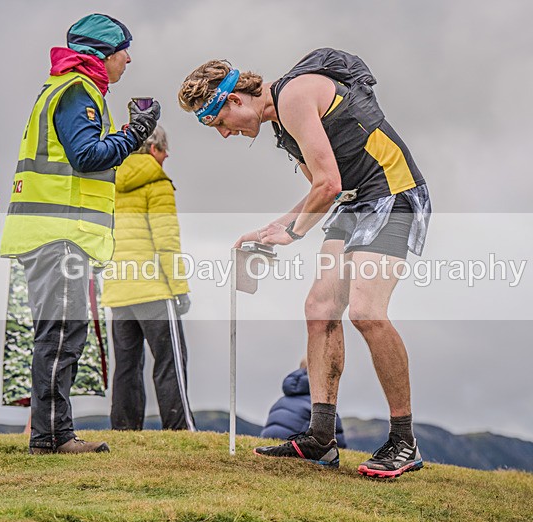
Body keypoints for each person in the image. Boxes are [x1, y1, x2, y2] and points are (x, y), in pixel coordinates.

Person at [178, 48, 430, 477]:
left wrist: (291, 232)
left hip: (393, 192)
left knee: (368, 313)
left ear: (236, 100)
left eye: (219, 123)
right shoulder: (282, 127)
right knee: (319, 311)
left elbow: (328, 185)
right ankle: (320, 437)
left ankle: (405, 442)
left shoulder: (294, 96)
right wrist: (270, 228)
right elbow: (321, 187)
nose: (223, 134)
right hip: (355, 202)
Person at [0, 13, 159, 455]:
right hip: (59, 233)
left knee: (62, 332)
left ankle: (53, 432)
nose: (129, 58)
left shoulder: (66, 87)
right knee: (62, 333)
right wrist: (134, 135)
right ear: (103, 53)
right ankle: (51, 437)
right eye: (123, 48)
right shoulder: (78, 90)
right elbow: (87, 156)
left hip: (50, 231)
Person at [102, 124, 196, 432]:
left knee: (126, 367)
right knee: (171, 361)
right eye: (165, 151)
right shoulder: (157, 180)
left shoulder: (110, 180)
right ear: (154, 149)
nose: (166, 156)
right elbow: (166, 241)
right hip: (153, 287)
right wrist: (179, 287)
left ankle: (125, 431)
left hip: (118, 287)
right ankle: (180, 429)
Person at [261, 359, 346, 449]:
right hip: (294, 447)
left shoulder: (279, 401)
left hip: (266, 445)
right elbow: (337, 439)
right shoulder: (320, 405)